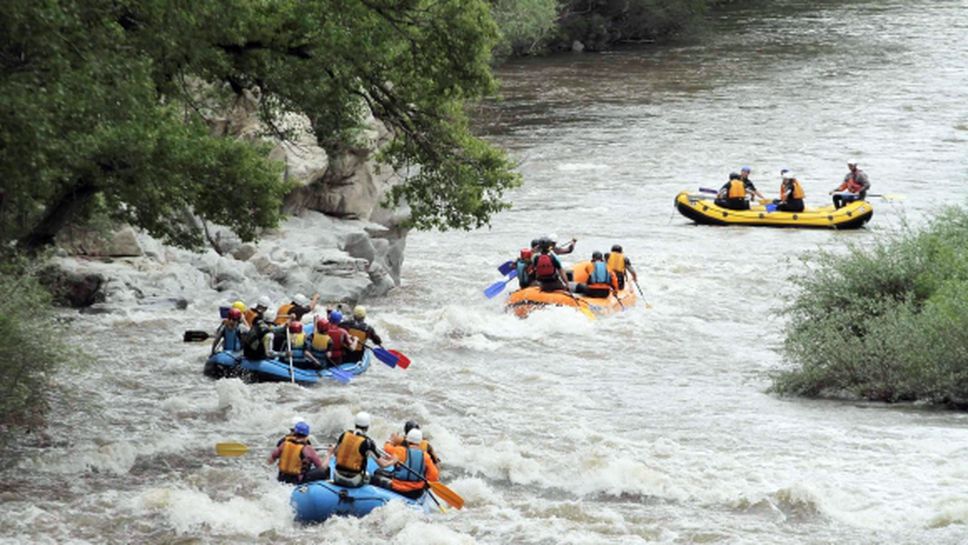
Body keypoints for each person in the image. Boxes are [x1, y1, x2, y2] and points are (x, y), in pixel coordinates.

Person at [371, 428, 440, 500]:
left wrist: (390, 440)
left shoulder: (401, 450)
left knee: (375, 476)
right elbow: (434, 477)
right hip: (416, 493)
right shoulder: (425, 456)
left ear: (407, 439)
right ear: (419, 442)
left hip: (398, 489)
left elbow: (386, 449)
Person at [329, 411, 381, 487]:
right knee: (375, 479)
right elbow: (383, 464)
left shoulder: (344, 435)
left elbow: (336, 453)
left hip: (337, 476)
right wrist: (393, 460)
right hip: (354, 481)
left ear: (355, 424)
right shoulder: (368, 442)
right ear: (367, 427)